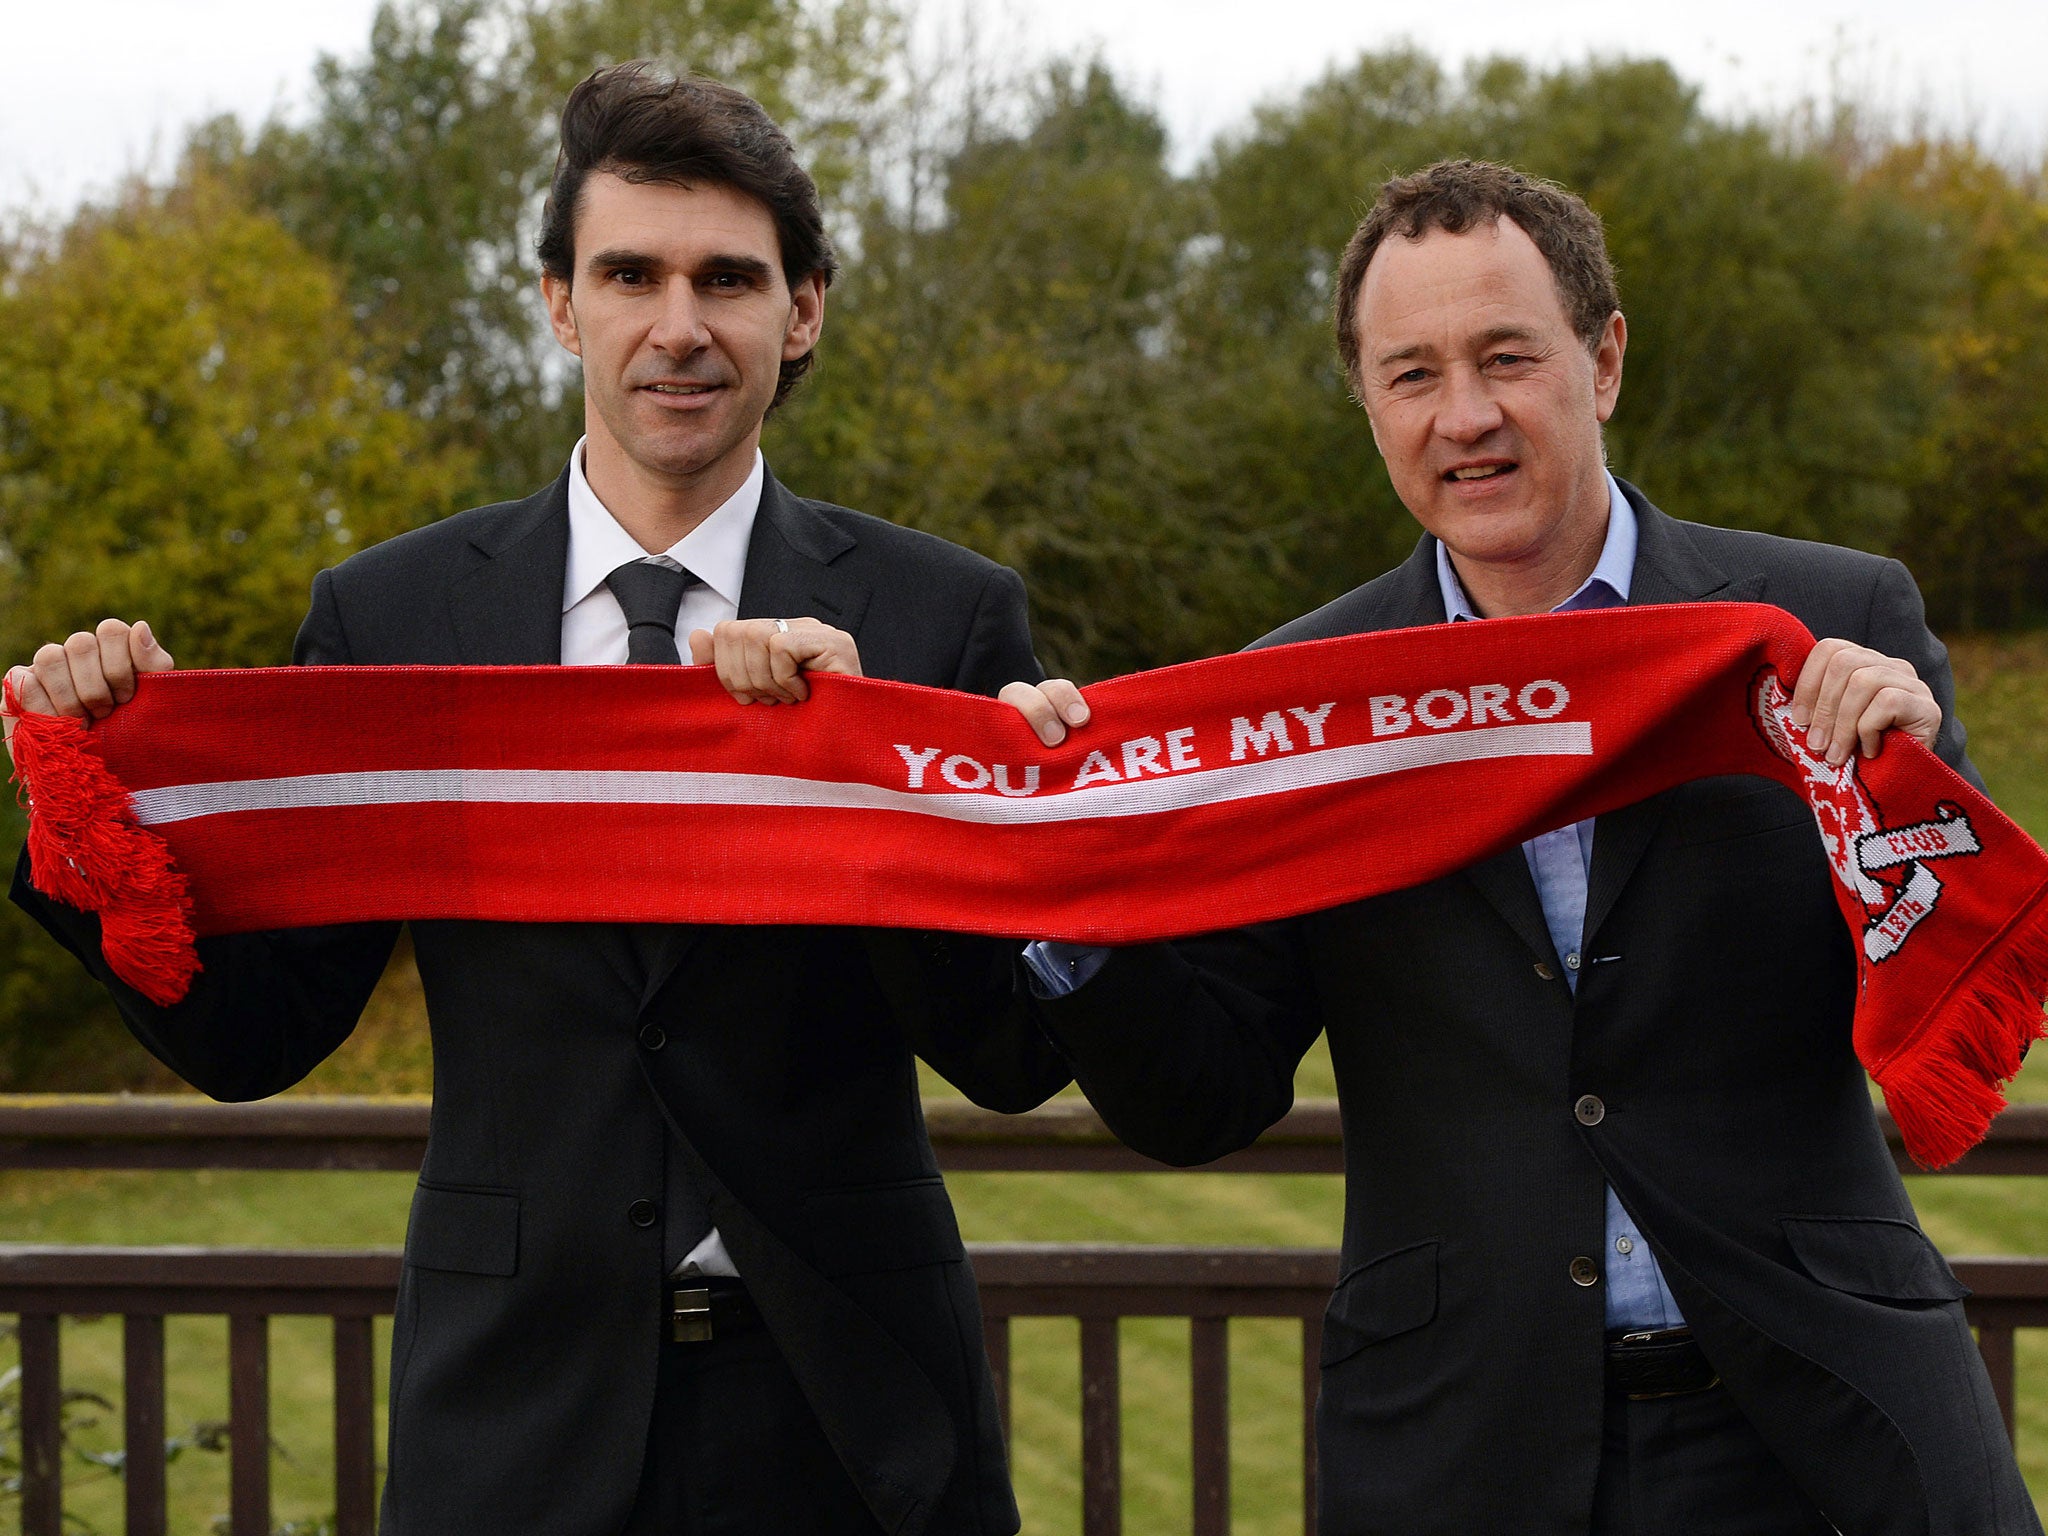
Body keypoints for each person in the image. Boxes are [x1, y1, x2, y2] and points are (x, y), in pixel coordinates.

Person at [5, 62, 1067, 1536]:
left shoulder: (939, 617)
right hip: (504, 1427)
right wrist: (95, 812)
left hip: (853, 1424)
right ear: (563, 304)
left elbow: (1011, 1052)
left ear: (802, 309)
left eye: (729, 280)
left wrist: (858, 771)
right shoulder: (393, 615)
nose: (678, 326)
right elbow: (259, 1039)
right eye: (629, 273)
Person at [998, 160, 2038, 1535]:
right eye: (1412, 373)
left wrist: (1901, 796)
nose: (1466, 417)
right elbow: (1204, 1096)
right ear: (1367, 401)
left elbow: (1958, 994)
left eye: (1506, 357)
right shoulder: (1298, 702)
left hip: (1821, 1431)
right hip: (1458, 1447)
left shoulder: (1827, 618)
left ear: (1603, 362)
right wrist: (1069, 894)